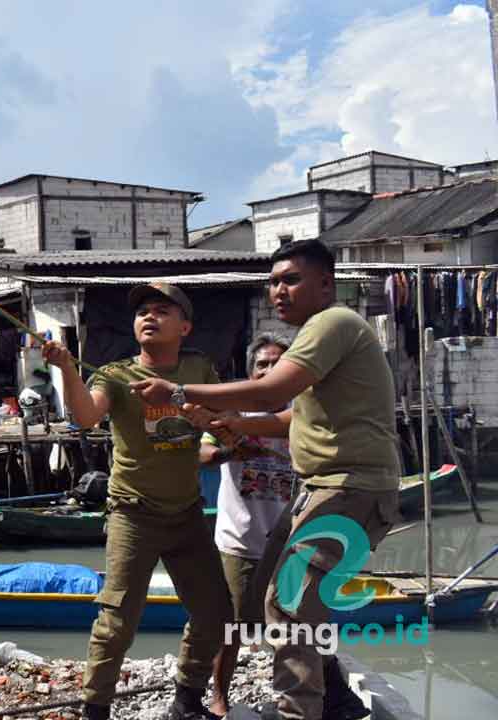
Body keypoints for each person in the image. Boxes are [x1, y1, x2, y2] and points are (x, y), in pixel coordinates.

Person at [130, 240, 400, 720]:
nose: (278, 290)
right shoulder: (320, 339)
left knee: (290, 604)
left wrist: (177, 389)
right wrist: (231, 419)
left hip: (348, 486)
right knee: (278, 598)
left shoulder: (332, 323)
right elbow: (291, 417)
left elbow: (273, 390)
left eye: (290, 280)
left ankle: (302, 710)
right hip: (324, 489)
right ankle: (333, 699)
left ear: (325, 284)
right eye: (273, 282)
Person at [43, 282, 231, 720]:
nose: (149, 316)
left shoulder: (200, 368)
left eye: (162, 311)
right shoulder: (115, 375)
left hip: (186, 512)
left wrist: (209, 425)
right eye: (143, 310)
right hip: (132, 511)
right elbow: (85, 417)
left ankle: (187, 699)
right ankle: (95, 710)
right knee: (117, 620)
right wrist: (68, 369)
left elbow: (220, 423)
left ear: (184, 326)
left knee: (215, 612)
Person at [200, 333, 295, 718]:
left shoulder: (302, 414)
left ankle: (293, 693)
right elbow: (202, 454)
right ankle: (218, 696)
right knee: (233, 627)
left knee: (290, 627)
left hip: (289, 538)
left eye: (279, 365)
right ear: (251, 372)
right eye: (263, 365)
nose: (271, 371)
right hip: (240, 540)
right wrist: (234, 450)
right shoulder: (233, 415)